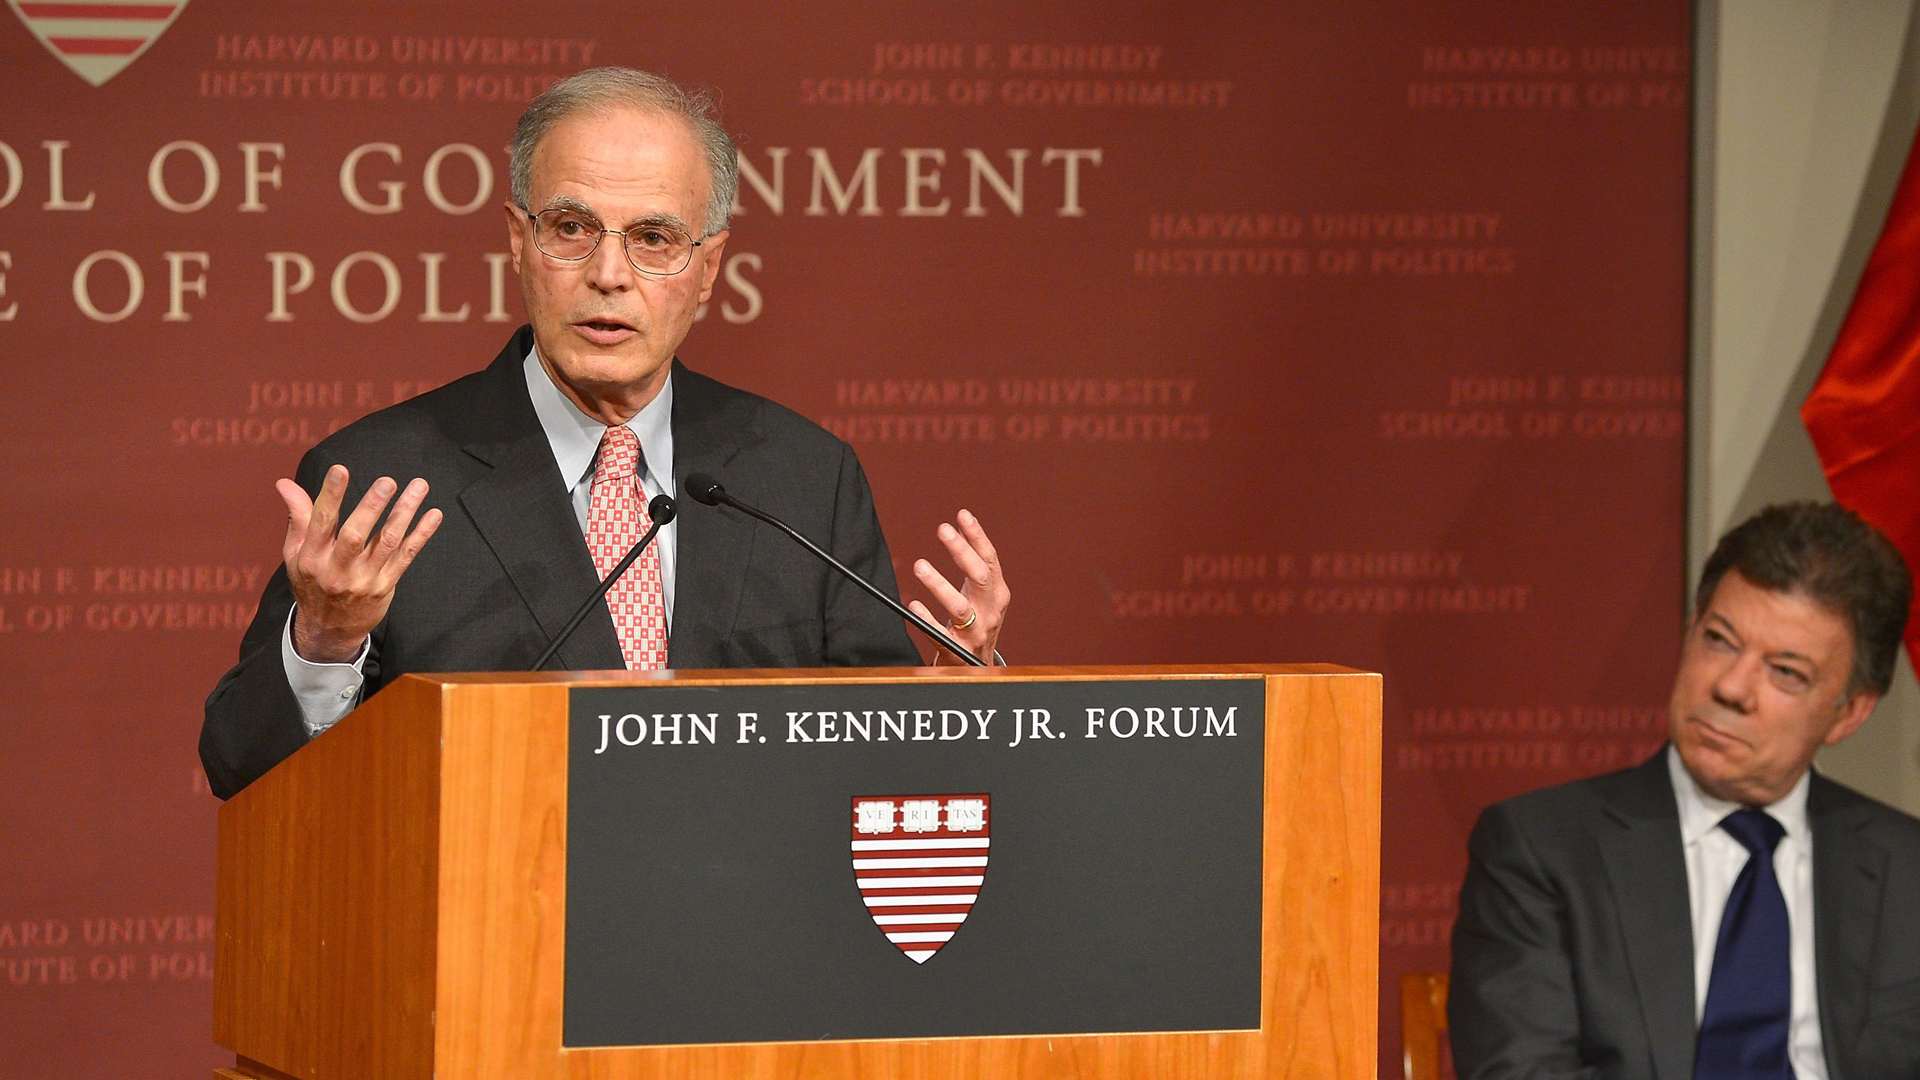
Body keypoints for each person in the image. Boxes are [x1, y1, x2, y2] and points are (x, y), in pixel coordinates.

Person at [199, 68, 1010, 800]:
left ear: (709, 269)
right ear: (519, 242)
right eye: (571, 227)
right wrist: (328, 641)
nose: (609, 273)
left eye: (654, 238)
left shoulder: (802, 477)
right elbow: (241, 767)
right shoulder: (384, 476)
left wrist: (947, 699)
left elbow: (882, 775)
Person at [1449, 502, 1920, 1080]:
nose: (1730, 687)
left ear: (1850, 713)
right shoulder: (1542, 850)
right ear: (1691, 626)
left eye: (1786, 673)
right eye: (1720, 640)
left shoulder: (1908, 872)